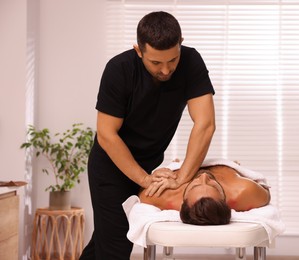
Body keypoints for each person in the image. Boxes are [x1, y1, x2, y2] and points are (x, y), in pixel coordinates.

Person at [80, 11, 215, 260]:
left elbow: (205, 124)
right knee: (116, 244)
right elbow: (107, 135)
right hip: (110, 166)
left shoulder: (191, 62)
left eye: (172, 60)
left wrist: (182, 177)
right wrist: (144, 179)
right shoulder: (118, 70)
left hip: (149, 162)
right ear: (138, 50)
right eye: (156, 63)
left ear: (180, 43)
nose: (166, 70)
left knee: (104, 240)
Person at [138, 164, 271, 225]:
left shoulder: (164, 196)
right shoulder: (243, 191)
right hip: (225, 167)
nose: (203, 176)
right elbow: (266, 192)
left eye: (195, 186)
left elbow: (142, 193)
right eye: (213, 186)